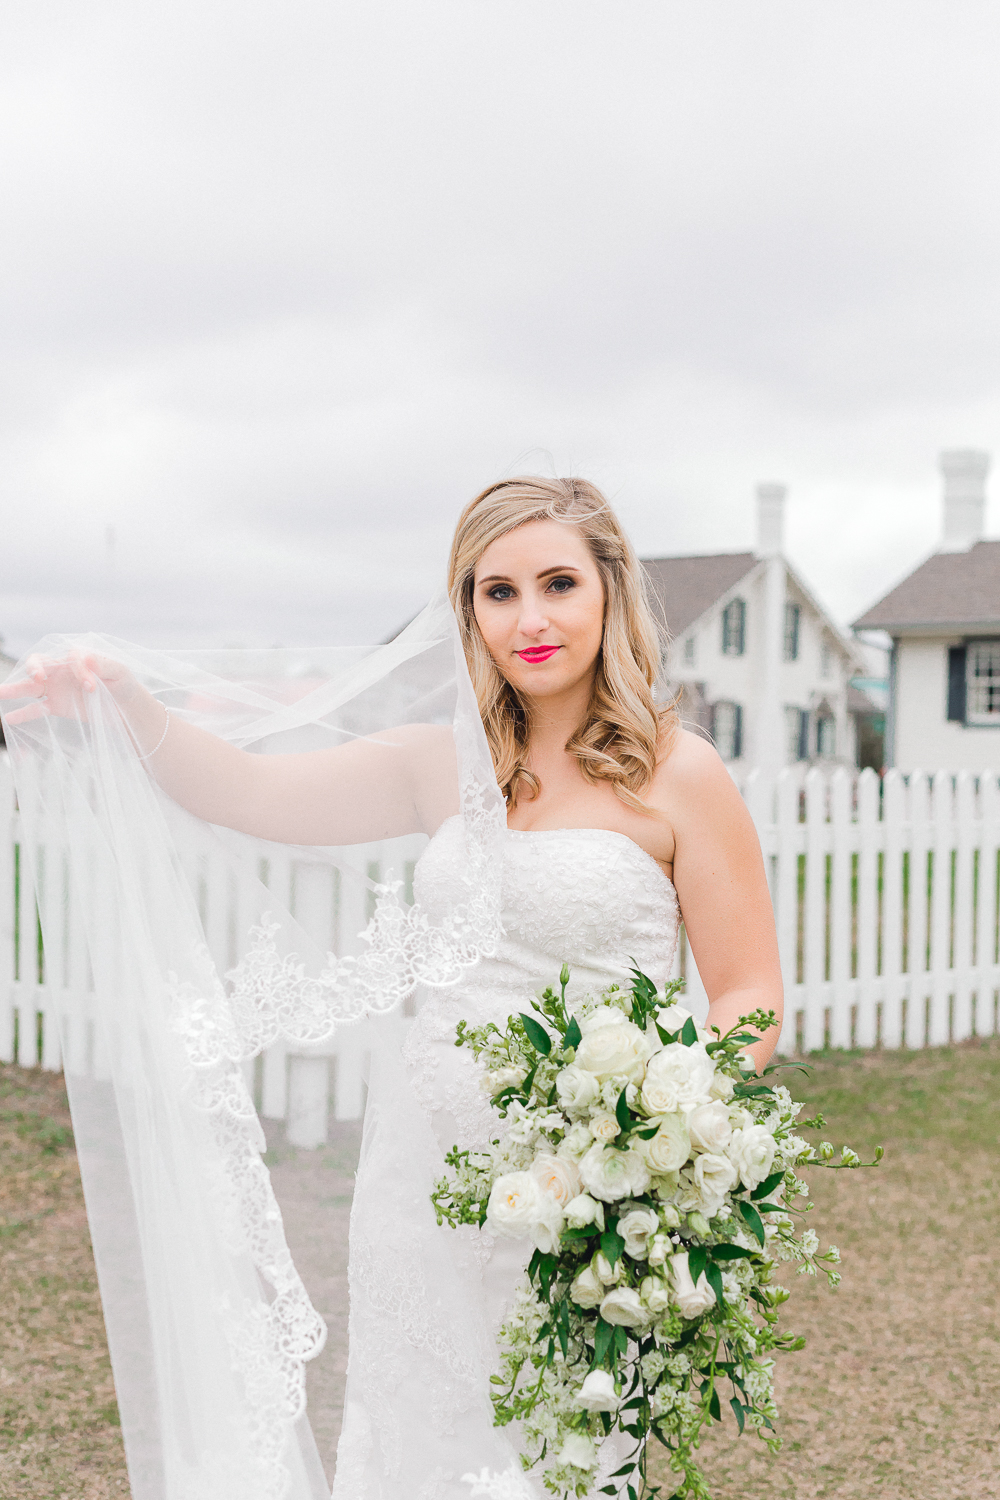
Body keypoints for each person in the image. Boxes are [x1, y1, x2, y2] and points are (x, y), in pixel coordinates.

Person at [0, 476, 782, 1500]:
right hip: (423, 1181)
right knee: (414, 1441)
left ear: (610, 591)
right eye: (496, 592)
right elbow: (242, 789)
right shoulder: (444, 769)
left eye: (557, 583)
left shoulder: (680, 775)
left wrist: (666, 1139)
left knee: (561, 1456)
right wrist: (119, 698)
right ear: (467, 613)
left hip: (590, 1198)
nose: (530, 618)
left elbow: (748, 989)